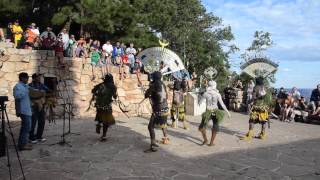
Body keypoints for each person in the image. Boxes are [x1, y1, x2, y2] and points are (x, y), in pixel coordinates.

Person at [198, 80, 231, 146]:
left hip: (208, 111)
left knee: (202, 127)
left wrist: (201, 98)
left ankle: (205, 140)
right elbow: (222, 104)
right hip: (216, 111)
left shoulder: (205, 94)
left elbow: (199, 103)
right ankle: (211, 142)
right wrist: (228, 112)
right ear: (215, 86)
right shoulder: (217, 94)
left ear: (209, 86)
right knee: (215, 126)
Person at [144, 71, 170, 152]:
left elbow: (146, 95)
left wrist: (150, 89)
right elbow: (166, 96)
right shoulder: (163, 84)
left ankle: (153, 146)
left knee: (150, 127)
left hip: (158, 110)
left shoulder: (154, 85)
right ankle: (166, 138)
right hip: (165, 108)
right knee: (163, 124)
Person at [91, 74, 117, 141]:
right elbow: (115, 97)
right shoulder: (113, 86)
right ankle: (104, 135)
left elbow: (93, 91)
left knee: (100, 116)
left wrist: (98, 95)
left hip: (99, 105)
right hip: (107, 106)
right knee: (106, 121)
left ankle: (99, 124)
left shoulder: (101, 85)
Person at [13, 72, 32, 150]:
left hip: (27, 109)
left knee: (25, 128)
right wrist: (25, 91)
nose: (28, 79)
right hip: (23, 110)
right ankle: (22, 145)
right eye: (27, 77)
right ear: (22, 78)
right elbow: (17, 96)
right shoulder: (18, 86)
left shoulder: (25, 86)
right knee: (26, 128)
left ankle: (22, 143)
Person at [29, 73, 48, 143]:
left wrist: (54, 84)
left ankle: (39, 136)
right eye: (38, 77)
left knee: (42, 121)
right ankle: (31, 137)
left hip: (41, 105)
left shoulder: (42, 85)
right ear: (34, 78)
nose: (39, 78)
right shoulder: (30, 85)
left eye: (39, 77)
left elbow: (48, 90)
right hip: (33, 105)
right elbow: (32, 95)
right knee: (33, 122)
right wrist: (40, 93)